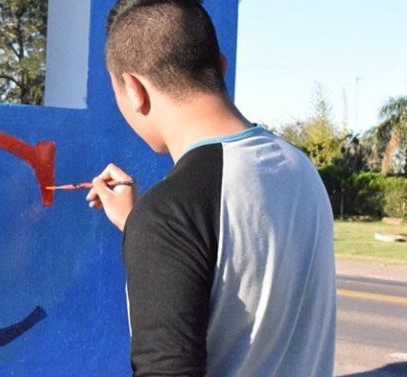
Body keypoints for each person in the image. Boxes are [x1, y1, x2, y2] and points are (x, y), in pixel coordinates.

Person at [86, 0, 336, 376]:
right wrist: (140, 225)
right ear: (220, 68)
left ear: (134, 90)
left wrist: (151, 227)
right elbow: (236, 249)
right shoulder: (299, 166)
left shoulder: (171, 214)